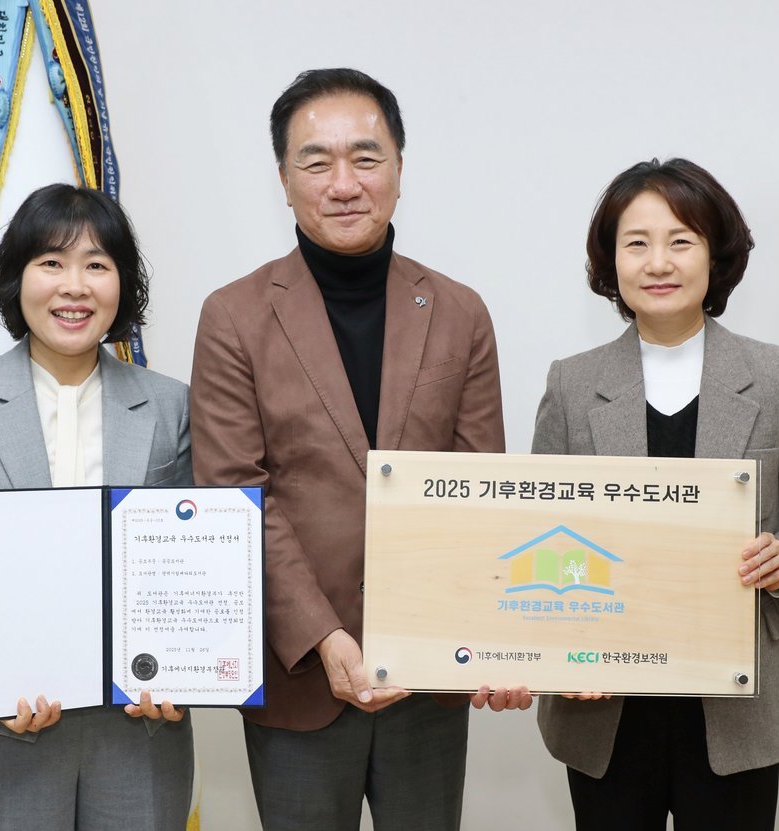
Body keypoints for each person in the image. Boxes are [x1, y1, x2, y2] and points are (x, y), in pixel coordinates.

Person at [189, 68, 530, 831]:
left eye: (366, 157)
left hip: (431, 675)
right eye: (317, 161)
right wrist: (323, 634)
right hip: (300, 677)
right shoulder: (233, 316)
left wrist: (459, 635)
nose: (344, 183)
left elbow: (481, 490)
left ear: (400, 168)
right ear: (284, 180)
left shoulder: (460, 312)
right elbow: (236, 495)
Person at [532, 158, 779, 830]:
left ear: (716, 255)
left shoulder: (776, 376)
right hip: (606, 703)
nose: (659, 262)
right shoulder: (571, 384)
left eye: (681, 240)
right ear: (611, 260)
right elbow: (541, 532)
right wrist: (558, 649)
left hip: (739, 702)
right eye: (637, 242)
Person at [0, 184, 193, 830]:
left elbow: (198, 554)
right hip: (0, 727)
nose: (73, 286)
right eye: (51, 262)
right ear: (17, 278)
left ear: (123, 284)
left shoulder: (172, 405)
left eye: (96, 264)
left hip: (138, 729)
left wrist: (184, 670)